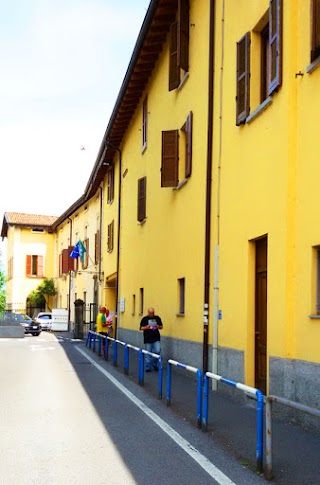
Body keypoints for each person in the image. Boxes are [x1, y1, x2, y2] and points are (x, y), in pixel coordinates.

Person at [140, 307, 163, 372]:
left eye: (153, 313)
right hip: (148, 338)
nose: (152, 314)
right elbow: (141, 328)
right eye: (150, 313)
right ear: (148, 313)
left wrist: (158, 327)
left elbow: (161, 326)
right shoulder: (144, 319)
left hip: (156, 338)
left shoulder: (157, 318)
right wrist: (146, 327)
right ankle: (148, 366)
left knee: (157, 351)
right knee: (148, 353)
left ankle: (153, 363)